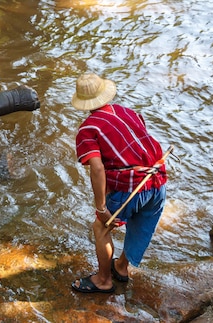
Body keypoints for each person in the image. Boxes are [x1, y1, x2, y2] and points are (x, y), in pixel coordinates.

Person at [69, 73, 168, 294]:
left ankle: (103, 280)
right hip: (158, 180)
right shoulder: (127, 112)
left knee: (101, 227)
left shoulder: (88, 130)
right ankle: (121, 267)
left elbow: (97, 168)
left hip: (131, 187)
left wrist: (101, 207)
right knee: (142, 225)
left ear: (83, 102)